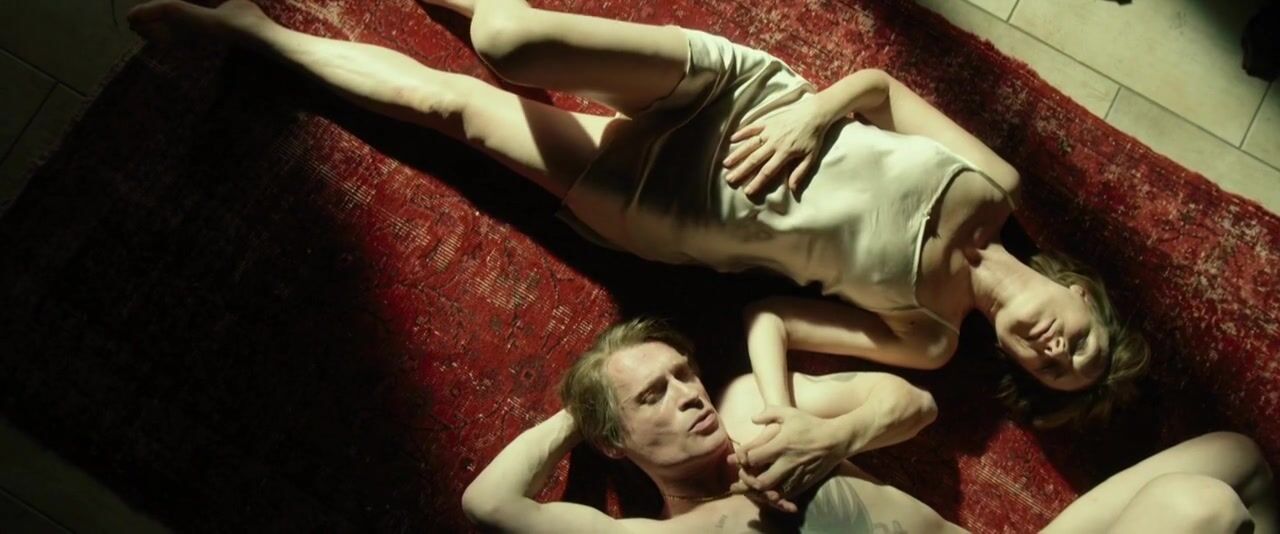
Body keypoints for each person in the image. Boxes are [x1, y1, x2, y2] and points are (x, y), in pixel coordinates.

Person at [128, 0, 1142, 449]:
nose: (1056, 349)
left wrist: (783, 411)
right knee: (509, 38)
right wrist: (812, 116)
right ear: (1079, 293)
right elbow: (875, 88)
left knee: (452, 108)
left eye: (1054, 371)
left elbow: (770, 320)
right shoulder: (996, 185)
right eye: (1082, 341)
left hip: (672, 205)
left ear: (1022, 367)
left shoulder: (926, 337)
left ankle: (245, 31)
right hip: (745, 100)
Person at [461, 318, 1275, 533]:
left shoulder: (757, 409)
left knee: (1236, 456)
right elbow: (490, 502)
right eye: (653, 397)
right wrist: (580, 412)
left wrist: (833, 437)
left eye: (683, 374)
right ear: (613, 440)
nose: (686, 395)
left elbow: (915, 407)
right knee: (1197, 507)